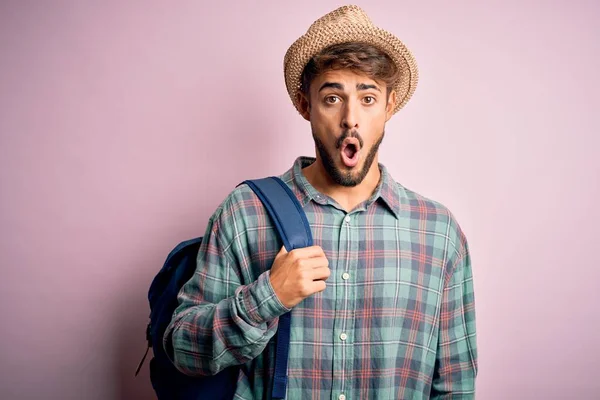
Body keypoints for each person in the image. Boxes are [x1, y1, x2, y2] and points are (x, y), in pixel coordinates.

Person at [164, 5, 477, 399]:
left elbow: (456, 388)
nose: (351, 119)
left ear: (389, 106)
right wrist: (267, 298)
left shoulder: (439, 233)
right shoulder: (245, 212)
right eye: (332, 98)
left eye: (368, 97)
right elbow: (182, 350)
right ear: (305, 105)